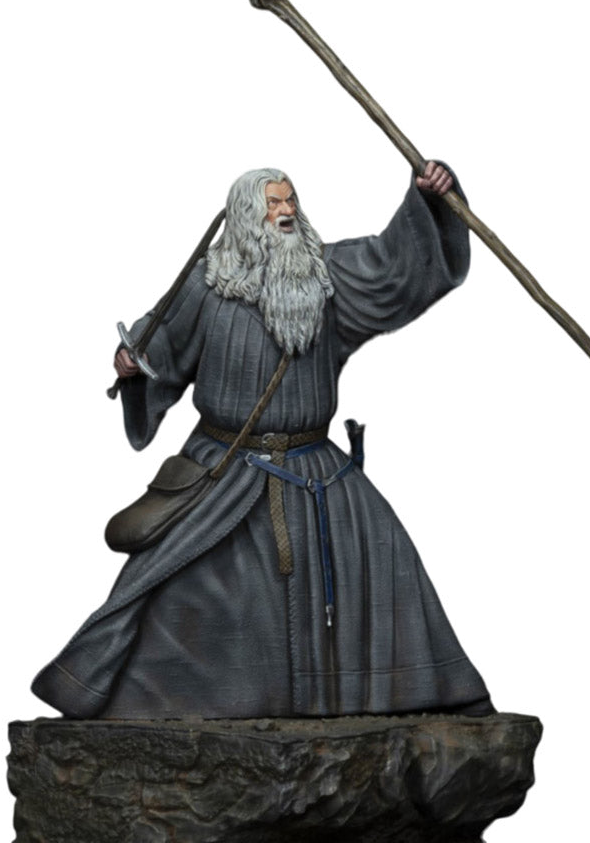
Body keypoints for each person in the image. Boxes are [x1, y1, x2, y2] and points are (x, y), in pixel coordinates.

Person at [32, 161, 493, 719]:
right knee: (172, 584)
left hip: (318, 474)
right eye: (273, 203)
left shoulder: (328, 279)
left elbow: (395, 266)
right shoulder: (206, 285)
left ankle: (388, 705)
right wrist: (132, 364)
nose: (287, 211)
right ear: (246, 215)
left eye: (291, 199)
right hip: (225, 467)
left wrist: (432, 199)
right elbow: (160, 346)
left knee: (386, 565)